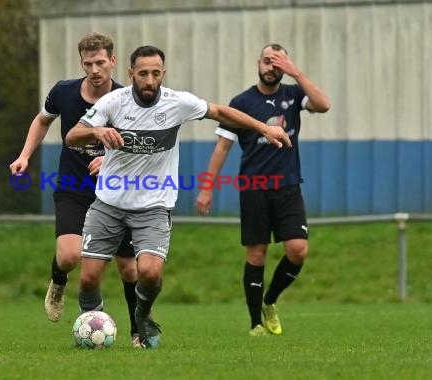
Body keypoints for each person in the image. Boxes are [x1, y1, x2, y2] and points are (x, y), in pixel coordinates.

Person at [65, 45, 292, 348]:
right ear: (131, 74)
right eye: (143, 73)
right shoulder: (112, 102)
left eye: (155, 73)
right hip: (108, 203)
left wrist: (265, 128)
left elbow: (221, 112)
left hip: (154, 206)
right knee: (89, 278)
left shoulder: (178, 102)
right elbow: (71, 136)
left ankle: (142, 317)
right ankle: (91, 328)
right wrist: (96, 132)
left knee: (149, 271)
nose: (149, 80)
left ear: (163, 74)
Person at [8, 32, 141, 346]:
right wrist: (25, 155)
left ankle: (139, 330)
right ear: (81, 62)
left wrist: (109, 162)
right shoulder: (64, 92)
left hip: (116, 192)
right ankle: (57, 281)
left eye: (100, 62)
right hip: (73, 186)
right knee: (69, 256)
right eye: (88, 63)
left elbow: (139, 145)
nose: (95, 69)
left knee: (129, 268)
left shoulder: (128, 99)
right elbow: (43, 121)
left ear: (113, 61)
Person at [196, 43, 331, 337]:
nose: (272, 67)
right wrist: (206, 189)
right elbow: (222, 148)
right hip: (254, 188)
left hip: (288, 186)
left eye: (278, 62)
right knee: (256, 255)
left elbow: (323, 104)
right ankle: (255, 324)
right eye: (268, 61)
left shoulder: (293, 95)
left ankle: (270, 301)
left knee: (298, 250)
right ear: (258, 63)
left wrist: (296, 72)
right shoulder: (242, 102)